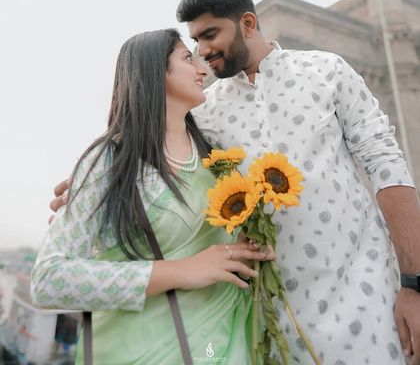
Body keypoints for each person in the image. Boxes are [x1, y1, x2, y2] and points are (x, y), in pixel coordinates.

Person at [50, 0, 420, 364]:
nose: (203, 50)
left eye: (210, 34)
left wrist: (413, 284)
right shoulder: (204, 113)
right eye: (195, 41)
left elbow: (386, 164)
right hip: (271, 322)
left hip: (367, 298)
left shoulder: (327, 72)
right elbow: (149, 150)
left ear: (247, 23)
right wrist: (95, 177)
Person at [32, 28, 274, 365]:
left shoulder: (216, 158)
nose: (202, 68)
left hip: (218, 346)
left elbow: (225, 247)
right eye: (188, 58)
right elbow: (49, 280)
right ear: (153, 71)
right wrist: (180, 270)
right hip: (140, 350)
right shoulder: (109, 161)